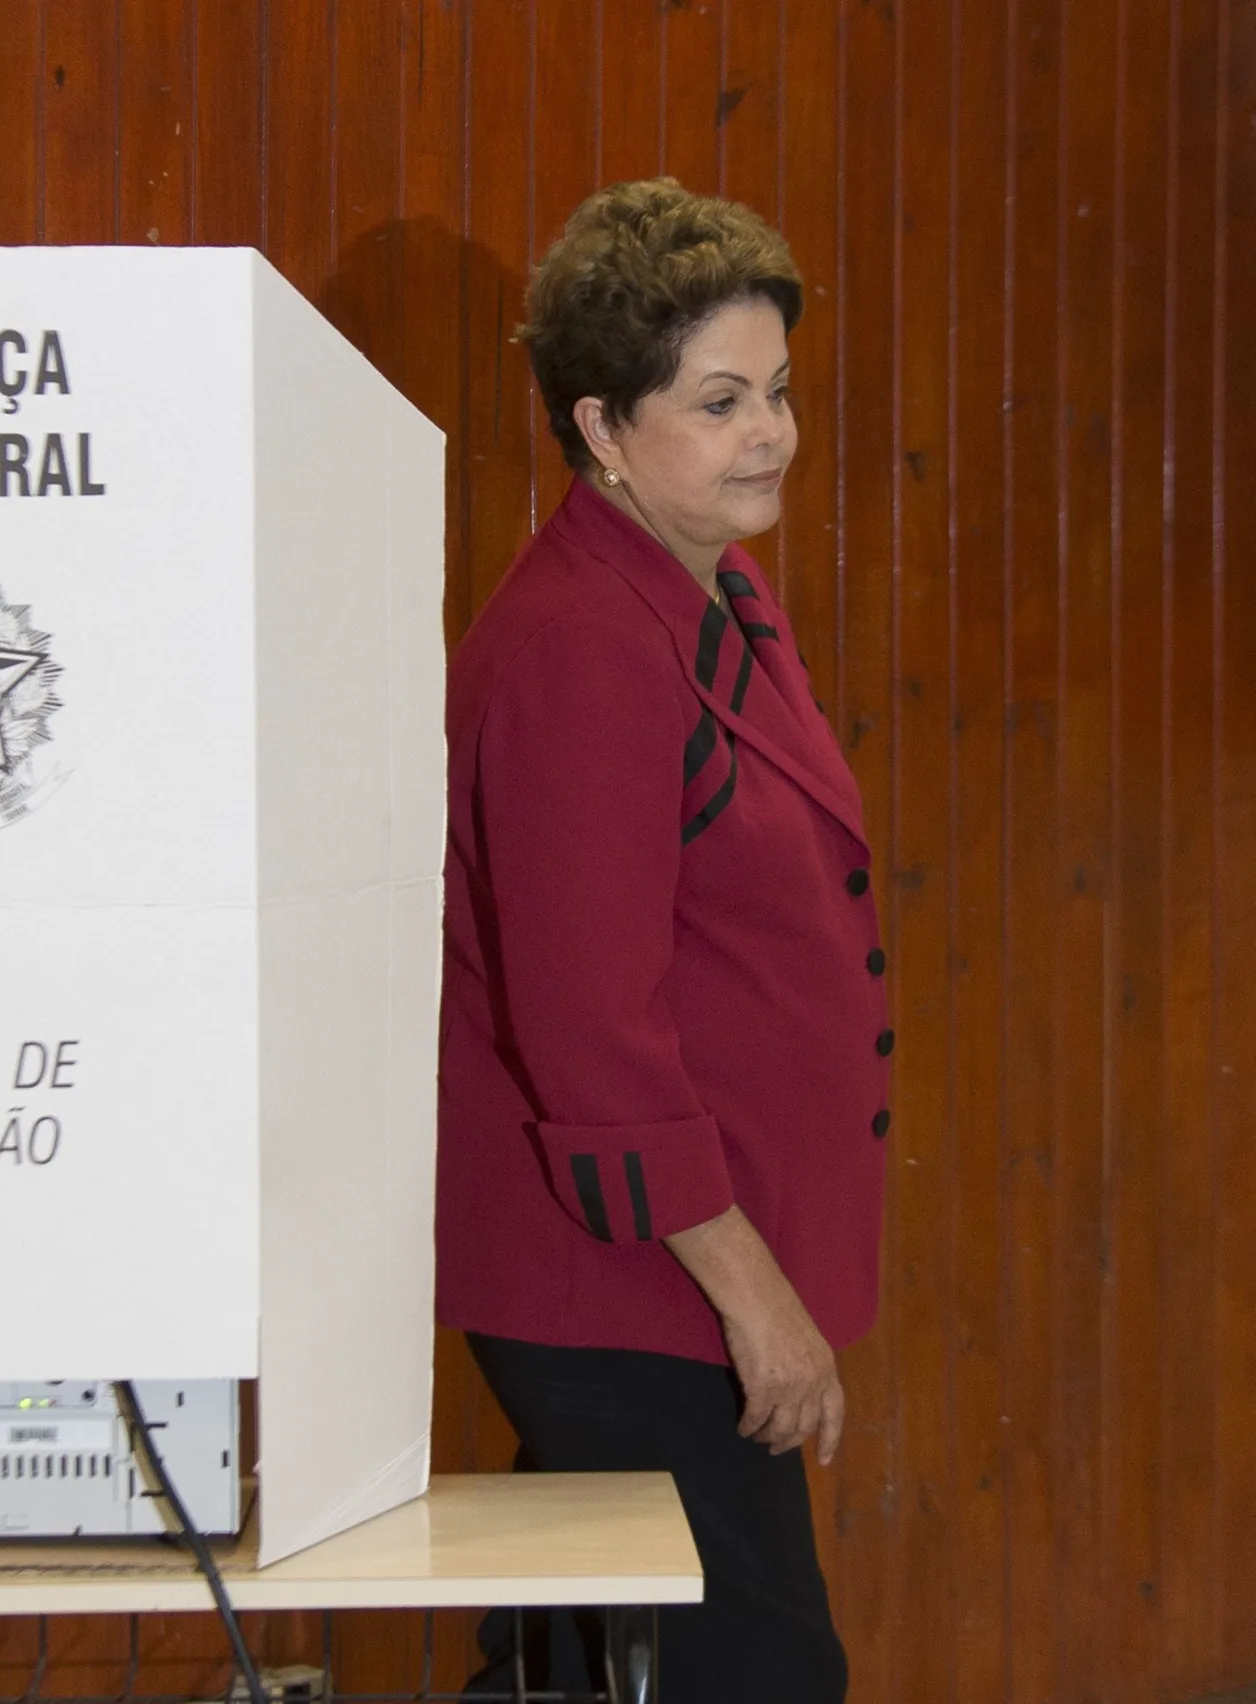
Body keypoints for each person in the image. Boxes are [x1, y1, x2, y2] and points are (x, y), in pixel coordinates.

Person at [436, 178, 890, 1703]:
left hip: (659, 1265)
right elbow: (591, 1037)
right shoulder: (579, 648)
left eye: (777, 391)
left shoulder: (720, 590)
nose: (771, 431)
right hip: (632, 1273)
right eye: (719, 400)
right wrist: (755, 1301)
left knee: (585, 1658)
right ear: (602, 429)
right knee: (756, 1670)